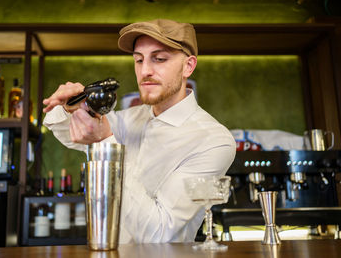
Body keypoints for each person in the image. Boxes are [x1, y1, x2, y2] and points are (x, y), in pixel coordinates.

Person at [43, 19, 236, 244]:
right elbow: (67, 132)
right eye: (138, 59)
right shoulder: (129, 119)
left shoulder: (213, 141)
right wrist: (69, 107)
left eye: (159, 59)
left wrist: (106, 142)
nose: (145, 71)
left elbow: (160, 234)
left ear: (188, 66)